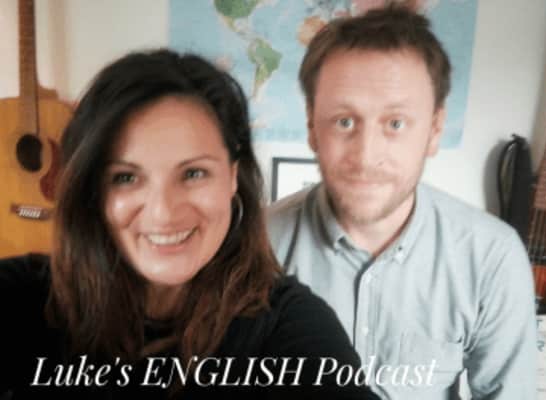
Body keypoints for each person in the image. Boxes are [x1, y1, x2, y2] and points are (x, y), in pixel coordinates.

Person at [0, 50, 378, 399]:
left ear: (232, 176)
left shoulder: (289, 325)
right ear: (93, 191)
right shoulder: (26, 299)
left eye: (194, 173)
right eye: (126, 178)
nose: (164, 213)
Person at [267, 5, 537, 399]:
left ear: (434, 130)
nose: (366, 156)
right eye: (344, 121)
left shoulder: (492, 258)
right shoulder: (254, 247)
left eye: (395, 123)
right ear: (311, 126)